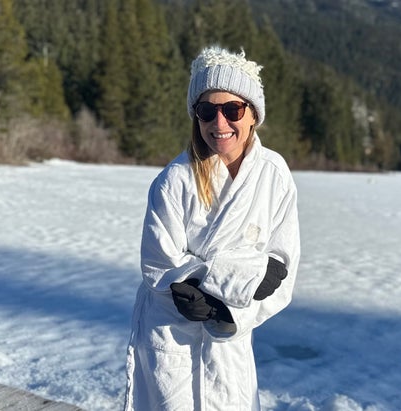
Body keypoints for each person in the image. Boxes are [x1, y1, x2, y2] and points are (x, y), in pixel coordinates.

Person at [123, 45, 301, 411]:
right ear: (196, 117)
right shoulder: (174, 181)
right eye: (207, 111)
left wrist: (234, 311)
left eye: (232, 109)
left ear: (253, 115)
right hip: (172, 332)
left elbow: (283, 265)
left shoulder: (274, 175)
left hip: (230, 339)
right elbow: (158, 266)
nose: (219, 124)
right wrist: (241, 277)